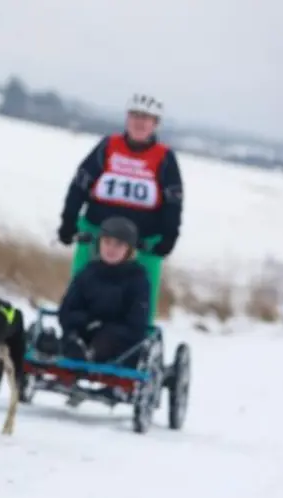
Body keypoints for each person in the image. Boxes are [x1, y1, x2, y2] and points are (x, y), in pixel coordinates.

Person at [57, 93, 183, 321]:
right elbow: (80, 185)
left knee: (141, 290)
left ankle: (134, 335)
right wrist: (69, 221)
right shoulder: (108, 146)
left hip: (143, 238)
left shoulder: (164, 158)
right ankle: (73, 327)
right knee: (83, 281)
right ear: (127, 118)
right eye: (135, 116)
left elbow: (173, 202)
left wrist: (169, 236)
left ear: (155, 124)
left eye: (146, 118)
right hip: (98, 230)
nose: (139, 122)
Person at [57, 216, 151, 365]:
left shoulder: (137, 279)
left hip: (118, 343)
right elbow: (68, 309)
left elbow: (137, 323)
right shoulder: (88, 272)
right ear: (99, 243)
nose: (111, 249)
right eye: (107, 242)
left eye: (118, 244)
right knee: (72, 333)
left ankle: (89, 354)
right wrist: (84, 322)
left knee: (107, 339)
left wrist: (104, 327)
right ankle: (68, 350)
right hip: (85, 329)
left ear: (129, 249)